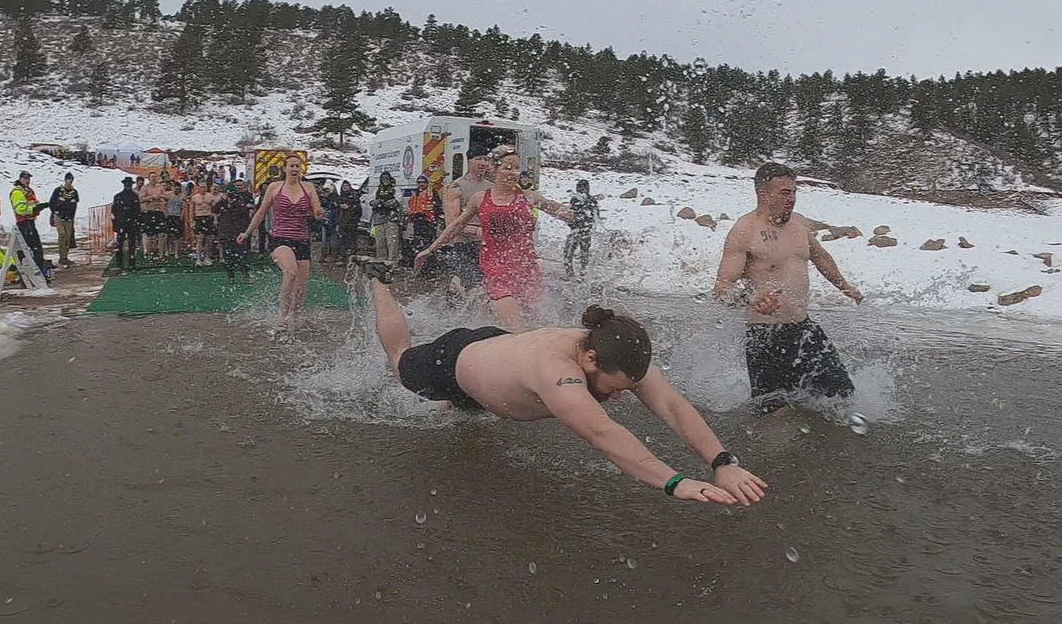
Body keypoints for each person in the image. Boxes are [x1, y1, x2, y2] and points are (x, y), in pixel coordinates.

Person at [352, 256, 768, 505]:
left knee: (462, 414)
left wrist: (722, 463)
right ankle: (379, 280)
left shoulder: (619, 354)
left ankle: (464, 401)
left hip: (496, 360)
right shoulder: (557, 372)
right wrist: (675, 482)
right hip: (454, 360)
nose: (621, 397)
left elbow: (673, 407)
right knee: (399, 360)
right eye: (615, 388)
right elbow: (603, 433)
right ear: (588, 358)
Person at [713, 162, 863, 416]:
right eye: (785, 193)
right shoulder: (745, 230)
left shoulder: (799, 225)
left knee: (840, 399)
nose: (792, 199)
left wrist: (845, 287)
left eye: (794, 192)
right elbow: (721, 288)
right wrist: (751, 299)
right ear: (764, 194)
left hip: (804, 330)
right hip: (764, 336)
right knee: (775, 415)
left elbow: (820, 256)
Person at [416, 148, 573, 330]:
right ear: (494, 170)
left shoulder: (530, 197)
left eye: (517, 168)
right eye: (508, 168)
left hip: (526, 269)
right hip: (496, 269)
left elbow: (561, 211)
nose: (514, 173)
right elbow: (455, 226)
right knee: (518, 329)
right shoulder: (480, 198)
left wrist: (577, 215)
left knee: (535, 326)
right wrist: (430, 249)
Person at [237, 154, 325, 327]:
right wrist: (247, 233)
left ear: (301, 169)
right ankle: (282, 316)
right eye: (291, 166)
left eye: (297, 166)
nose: (294, 169)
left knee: (300, 289)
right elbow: (261, 212)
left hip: (302, 240)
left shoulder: (309, 188)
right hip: (280, 238)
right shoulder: (275, 187)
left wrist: (320, 214)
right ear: (284, 169)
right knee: (290, 272)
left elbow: (317, 211)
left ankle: (294, 316)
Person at [440, 144, 493, 296]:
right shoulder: (456, 187)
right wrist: (476, 230)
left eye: (486, 159)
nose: (483, 163)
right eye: (479, 159)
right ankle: (454, 309)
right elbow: (451, 223)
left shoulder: (492, 187)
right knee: (469, 285)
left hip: (488, 245)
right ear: (469, 161)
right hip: (465, 244)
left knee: (488, 285)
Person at [10, 170, 51, 279]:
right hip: (24, 223)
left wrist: (40, 206)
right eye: (25, 178)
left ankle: (37, 272)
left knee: (34, 249)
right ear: (20, 179)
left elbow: (33, 203)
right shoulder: (17, 192)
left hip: (30, 222)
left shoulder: (28, 191)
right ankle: (32, 274)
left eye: (29, 179)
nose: (28, 181)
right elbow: (20, 209)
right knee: (32, 249)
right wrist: (35, 208)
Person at [214, 179, 253, 283]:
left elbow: (245, 214)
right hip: (226, 233)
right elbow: (214, 209)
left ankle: (246, 275)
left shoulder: (240, 202)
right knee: (228, 257)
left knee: (242, 256)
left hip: (238, 233)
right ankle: (231, 277)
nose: (231, 197)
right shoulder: (222, 203)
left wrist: (236, 202)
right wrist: (223, 200)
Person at [563, 179, 600, 279]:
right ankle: (576, 274)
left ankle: (578, 273)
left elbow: (595, 216)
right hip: (581, 231)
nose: (581, 189)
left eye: (583, 187)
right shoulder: (586, 200)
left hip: (581, 231)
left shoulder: (587, 200)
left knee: (575, 253)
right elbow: (570, 215)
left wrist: (576, 226)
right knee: (577, 253)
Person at [405, 174, 441, 273]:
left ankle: (430, 268)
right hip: (417, 222)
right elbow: (411, 206)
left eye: (423, 182)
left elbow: (438, 207)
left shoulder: (432, 193)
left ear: (426, 183)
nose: (421, 184)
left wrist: (435, 220)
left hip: (427, 222)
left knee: (429, 245)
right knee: (417, 245)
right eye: (419, 182)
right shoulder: (415, 193)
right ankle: (420, 267)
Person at [48, 172, 80, 268]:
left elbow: (75, 205)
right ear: (65, 180)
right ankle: (61, 257)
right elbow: (51, 202)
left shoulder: (74, 192)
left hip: (69, 218)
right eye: (68, 179)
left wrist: (72, 216)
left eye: (71, 180)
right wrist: (55, 211)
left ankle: (64, 257)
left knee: (67, 237)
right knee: (62, 235)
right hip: (59, 216)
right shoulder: (58, 190)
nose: (70, 181)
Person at [370, 171, 402, 262]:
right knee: (380, 242)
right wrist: (376, 202)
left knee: (392, 243)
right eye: (383, 179)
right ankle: (381, 260)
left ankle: (392, 262)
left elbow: (398, 201)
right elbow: (370, 200)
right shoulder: (377, 190)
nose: (385, 180)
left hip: (391, 219)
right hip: (379, 219)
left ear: (390, 179)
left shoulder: (395, 189)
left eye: (387, 178)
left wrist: (388, 203)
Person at [111, 177, 141, 271]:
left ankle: (130, 263)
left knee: (130, 243)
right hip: (122, 222)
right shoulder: (118, 196)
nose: (128, 186)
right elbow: (114, 211)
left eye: (129, 184)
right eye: (127, 184)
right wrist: (115, 224)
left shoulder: (134, 196)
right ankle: (121, 263)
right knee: (121, 243)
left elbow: (137, 211)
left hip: (129, 222)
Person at [138, 171, 168, 259]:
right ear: (149, 178)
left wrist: (160, 197)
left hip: (159, 212)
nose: (154, 178)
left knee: (161, 234)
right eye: (152, 177)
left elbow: (167, 197)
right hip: (149, 212)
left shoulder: (160, 187)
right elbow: (141, 199)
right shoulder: (145, 187)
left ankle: (161, 254)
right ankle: (149, 254)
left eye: (155, 176)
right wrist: (151, 197)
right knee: (149, 234)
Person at [190, 180, 220, 266]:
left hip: (208, 218)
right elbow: (192, 211)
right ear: (198, 187)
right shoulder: (195, 197)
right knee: (200, 239)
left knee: (209, 239)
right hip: (199, 218)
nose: (203, 188)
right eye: (201, 187)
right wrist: (192, 221)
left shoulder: (210, 197)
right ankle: (199, 258)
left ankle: (207, 257)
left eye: (204, 187)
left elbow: (214, 210)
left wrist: (215, 220)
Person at [335, 180, 362, 263]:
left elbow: (358, 210)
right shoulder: (340, 198)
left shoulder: (354, 197)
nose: (345, 188)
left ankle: (352, 259)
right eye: (344, 187)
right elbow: (337, 211)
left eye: (347, 186)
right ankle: (343, 258)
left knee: (352, 240)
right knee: (342, 241)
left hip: (351, 223)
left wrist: (349, 207)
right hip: (342, 222)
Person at [163, 182, 185, 260]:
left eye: (178, 189)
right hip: (169, 216)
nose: (176, 190)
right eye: (175, 188)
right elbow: (164, 205)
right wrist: (166, 214)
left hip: (177, 216)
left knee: (177, 236)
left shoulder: (182, 196)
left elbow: (183, 207)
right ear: (172, 188)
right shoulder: (168, 195)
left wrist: (181, 217)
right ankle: (167, 251)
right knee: (167, 235)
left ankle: (176, 252)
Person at [319, 183, 340, 263]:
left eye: (327, 191)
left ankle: (333, 255)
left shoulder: (335, 200)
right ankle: (324, 254)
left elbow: (337, 211)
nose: (325, 193)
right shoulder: (323, 199)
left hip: (333, 222)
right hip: (325, 222)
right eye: (325, 191)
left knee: (333, 240)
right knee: (324, 240)